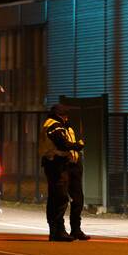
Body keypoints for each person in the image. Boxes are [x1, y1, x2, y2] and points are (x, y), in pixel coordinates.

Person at [39, 103, 88, 241]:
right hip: (56, 163)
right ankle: (57, 231)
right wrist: (77, 146)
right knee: (59, 197)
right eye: (65, 115)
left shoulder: (65, 126)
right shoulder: (53, 125)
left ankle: (75, 229)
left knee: (77, 197)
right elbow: (62, 143)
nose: (67, 118)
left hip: (71, 164)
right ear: (60, 115)